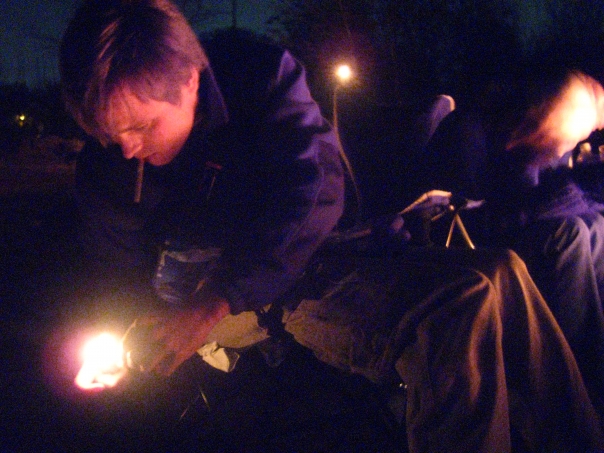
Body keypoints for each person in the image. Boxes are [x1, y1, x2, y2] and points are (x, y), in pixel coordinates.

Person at [60, 1, 604, 451]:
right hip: (225, 302)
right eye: (108, 133)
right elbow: (115, 271)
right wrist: (133, 328)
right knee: (459, 303)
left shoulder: (257, 76)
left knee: (503, 269)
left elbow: (314, 191)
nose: (125, 148)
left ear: (191, 80)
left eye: (141, 126)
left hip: (280, 268)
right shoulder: (111, 166)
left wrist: (219, 297)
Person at [420, 66, 604, 417]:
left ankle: (594, 358)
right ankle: (570, 370)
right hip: (468, 238)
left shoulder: (538, 135)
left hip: (510, 228)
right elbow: (478, 211)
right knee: (568, 235)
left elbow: (551, 199)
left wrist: (581, 183)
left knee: (595, 225)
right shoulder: (472, 132)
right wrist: (561, 186)